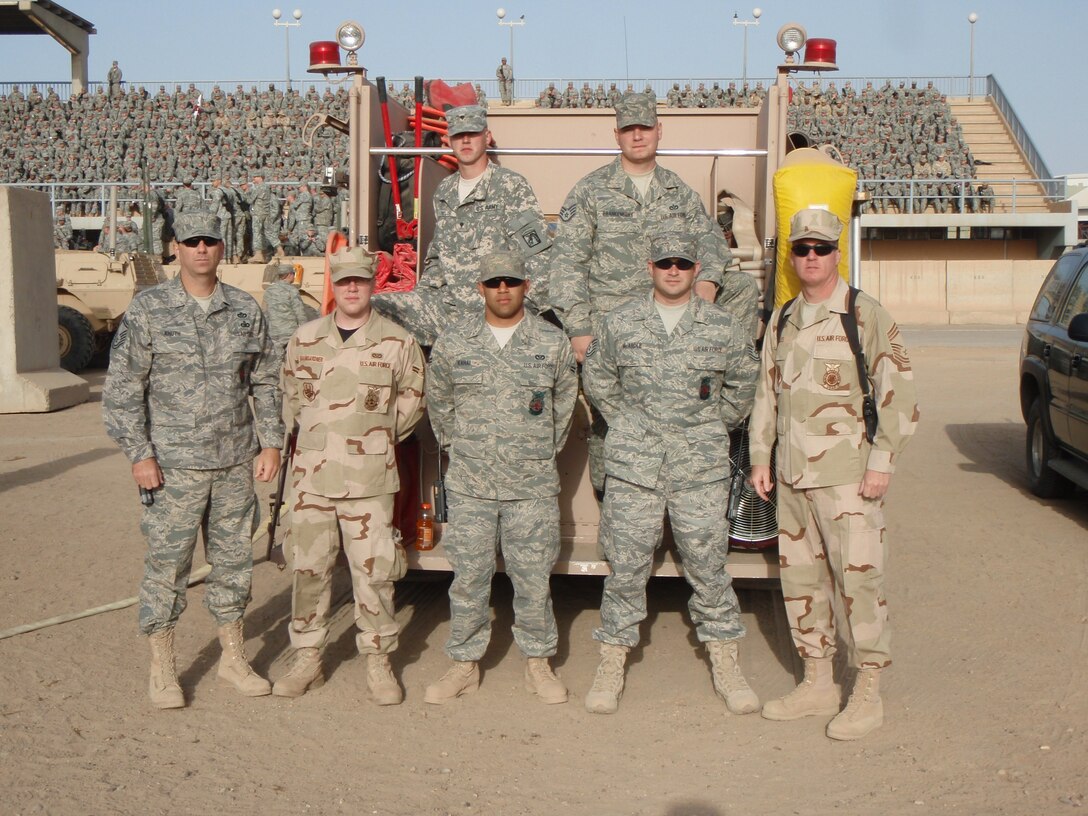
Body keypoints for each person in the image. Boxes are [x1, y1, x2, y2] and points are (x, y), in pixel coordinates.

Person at [749, 208, 919, 741]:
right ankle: (818, 681)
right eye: (802, 249)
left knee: (859, 584)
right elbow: (767, 393)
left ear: (837, 253)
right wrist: (760, 456)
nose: (812, 258)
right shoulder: (783, 318)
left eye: (821, 248)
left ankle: (867, 691)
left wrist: (881, 463)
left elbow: (899, 394)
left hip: (848, 479)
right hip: (792, 478)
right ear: (793, 256)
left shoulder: (863, 314)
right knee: (801, 585)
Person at [103, 211, 284, 710]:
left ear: (222, 248)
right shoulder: (150, 310)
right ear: (176, 249)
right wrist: (139, 455)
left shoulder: (245, 309)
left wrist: (271, 443)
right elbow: (123, 390)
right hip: (173, 466)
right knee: (167, 566)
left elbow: (266, 380)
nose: (202, 249)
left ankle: (232, 656)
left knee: (233, 565)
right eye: (192, 241)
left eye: (210, 240)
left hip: (233, 463)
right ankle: (163, 665)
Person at [581, 233, 760, 715]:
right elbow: (597, 377)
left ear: (697, 268)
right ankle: (612, 661)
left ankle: (726, 662)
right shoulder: (621, 323)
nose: (674, 270)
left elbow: (744, 382)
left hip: (698, 468)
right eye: (665, 263)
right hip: (635, 468)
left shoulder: (721, 326)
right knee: (626, 570)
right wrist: (627, 422)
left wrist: (708, 426)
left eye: (683, 263)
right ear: (650, 267)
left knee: (708, 567)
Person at [549, 90, 757, 499]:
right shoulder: (591, 191)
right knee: (610, 423)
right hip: (615, 326)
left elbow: (711, 242)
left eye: (645, 127)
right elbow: (566, 264)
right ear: (617, 135)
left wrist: (706, 282)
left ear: (659, 131)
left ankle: (719, 392)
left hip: (675, 319)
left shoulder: (677, 192)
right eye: (629, 129)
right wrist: (578, 328)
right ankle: (615, 509)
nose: (637, 135)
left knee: (745, 288)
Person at [423, 251, 578, 706]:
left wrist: (536, 453)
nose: (503, 289)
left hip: (530, 486)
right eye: (494, 282)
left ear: (526, 285)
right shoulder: (455, 342)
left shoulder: (551, 343)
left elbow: (564, 406)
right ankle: (464, 665)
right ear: (481, 288)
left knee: (533, 579)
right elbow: (440, 405)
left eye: (511, 281)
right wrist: (464, 449)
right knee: (468, 578)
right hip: (471, 485)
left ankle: (537, 664)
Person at [274, 247, 426, 704]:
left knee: (375, 574)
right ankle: (307, 657)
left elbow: (412, 404)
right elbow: (291, 401)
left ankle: (378, 661)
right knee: (308, 571)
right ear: (333, 286)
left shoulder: (398, 342)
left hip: (369, 480)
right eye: (344, 282)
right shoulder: (304, 339)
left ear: (373, 284)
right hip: (311, 481)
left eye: (360, 280)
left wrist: (367, 437)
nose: (353, 288)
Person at [372, 105, 552, 346]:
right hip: (447, 307)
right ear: (448, 141)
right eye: (458, 135)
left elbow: (538, 258)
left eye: (473, 133)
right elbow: (436, 258)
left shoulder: (510, 186)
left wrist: (520, 314)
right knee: (373, 309)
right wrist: (422, 295)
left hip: (494, 309)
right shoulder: (444, 191)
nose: (465, 140)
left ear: (486, 137)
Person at [261, 262, 309, 365]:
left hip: (273, 332)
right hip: (289, 332)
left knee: (277, 362)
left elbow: (264, 312)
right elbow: (300, 313)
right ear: (289, 275)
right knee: (292, 362)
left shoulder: (268, 291)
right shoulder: (292, 291)